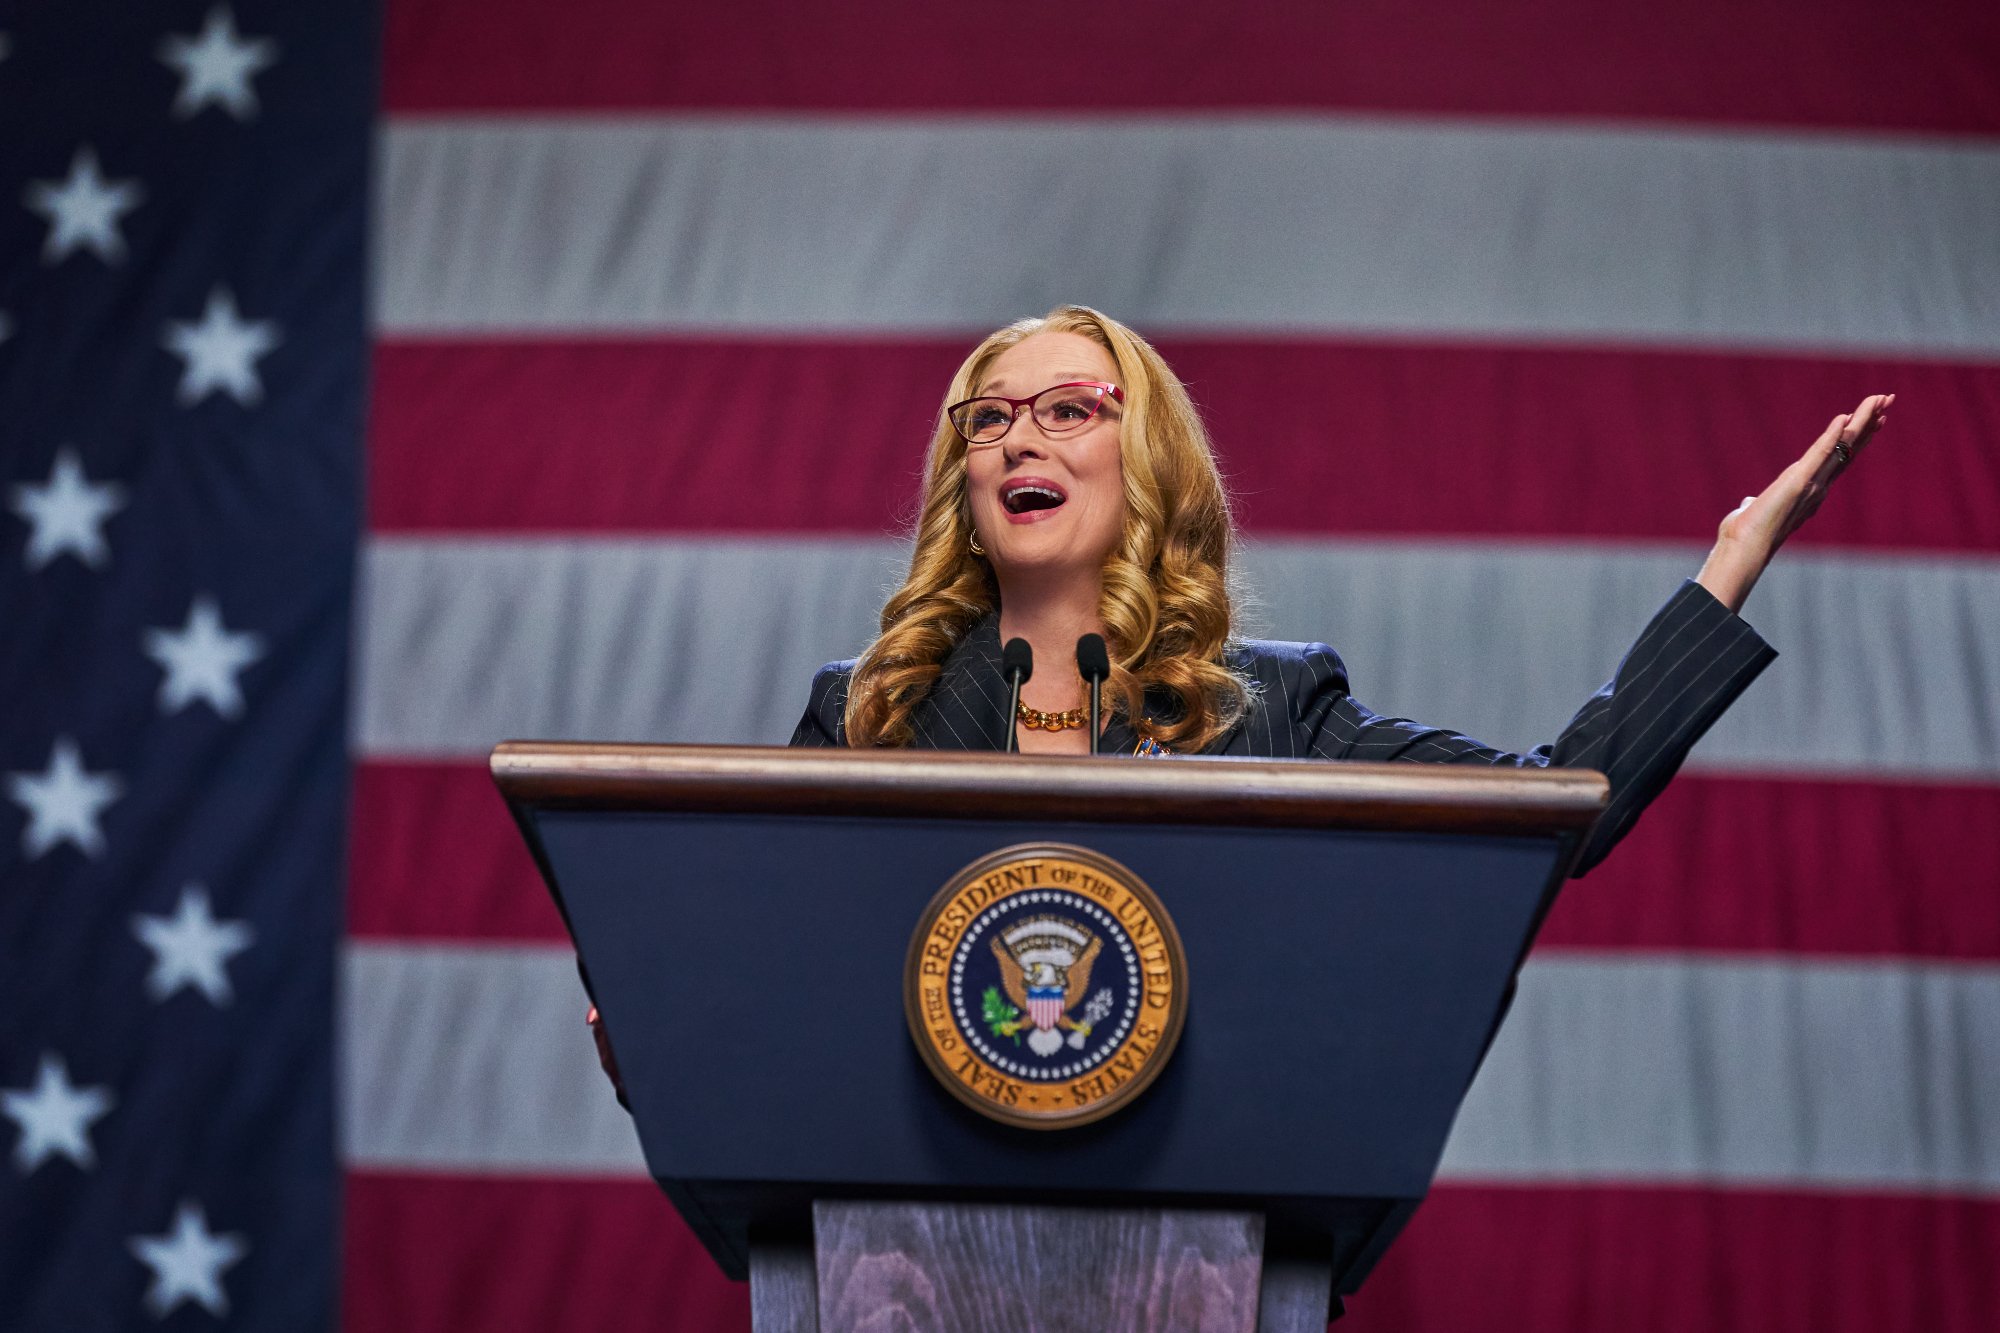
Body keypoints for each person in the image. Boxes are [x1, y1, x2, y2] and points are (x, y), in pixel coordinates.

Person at [590, 303, 1888, 1095]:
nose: (1016, 439)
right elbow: (775, 998)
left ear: (1142, 456)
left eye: (1062, 407)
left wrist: (1726, 568)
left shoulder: (1272, 711)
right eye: (986, 420)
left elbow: (1557, 804)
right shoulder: (864, 717)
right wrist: (662, 1050)